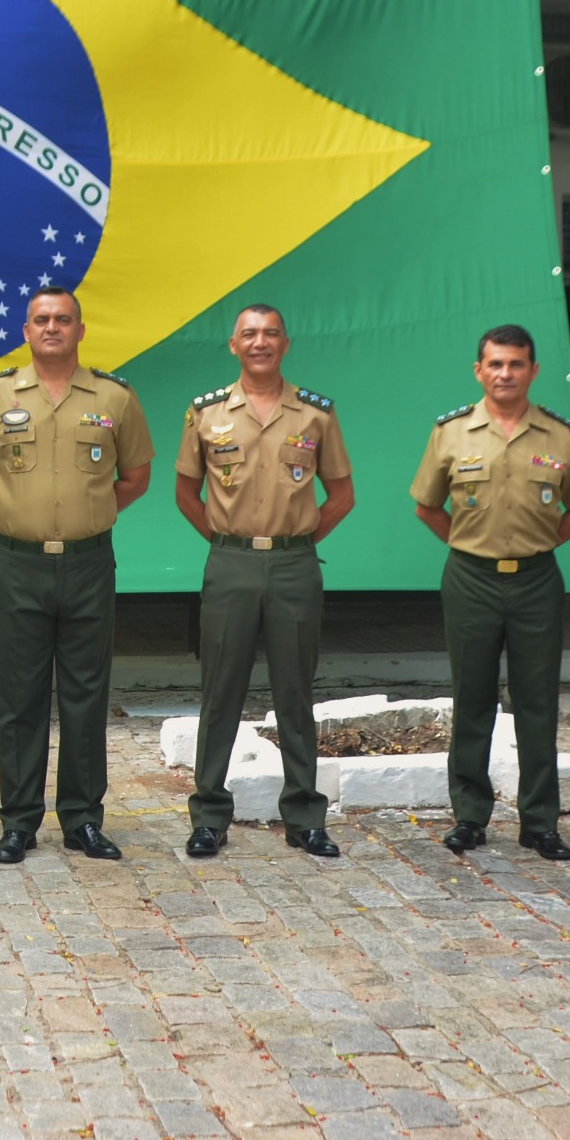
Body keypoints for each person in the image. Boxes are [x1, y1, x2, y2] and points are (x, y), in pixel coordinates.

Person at [0, 286, 153, 864]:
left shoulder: (114, 397)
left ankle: (83, 819)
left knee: (88, 695)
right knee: (20, 697)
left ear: (81, 330)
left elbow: (135, 475)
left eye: (63, 320)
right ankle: (18, 821)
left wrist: (92, 513)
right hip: (19, 564)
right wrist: (14, 515)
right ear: (26, 330)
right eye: (42, 319)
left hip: (90, 563)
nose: (52, 329)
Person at [409, 324, 570, 863]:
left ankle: (540, 823)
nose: (505, 374)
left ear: (533, 371)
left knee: (538, 702)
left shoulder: (559, 436)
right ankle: (469, 817)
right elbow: (427, 506)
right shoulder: (451, 433)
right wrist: (469, 546)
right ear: (479, 370)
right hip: (470, 580)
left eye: (516, 364)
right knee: (472, 699)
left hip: (537, 581)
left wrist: (539, 546)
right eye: (495, 364)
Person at [173, 304, 355, 860]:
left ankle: (304, 815)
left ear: (285, 342)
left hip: (294, 566)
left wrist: (295, 541)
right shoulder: (205, 413)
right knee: (220, 691)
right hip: (229, 564)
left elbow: (342, 495)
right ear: (233, 346)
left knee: (295, 693)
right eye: (249, 334)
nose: (259, 342)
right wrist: (228, 543)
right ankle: (209, 815)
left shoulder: (316, 415)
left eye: (270, 333)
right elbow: (186, 492)